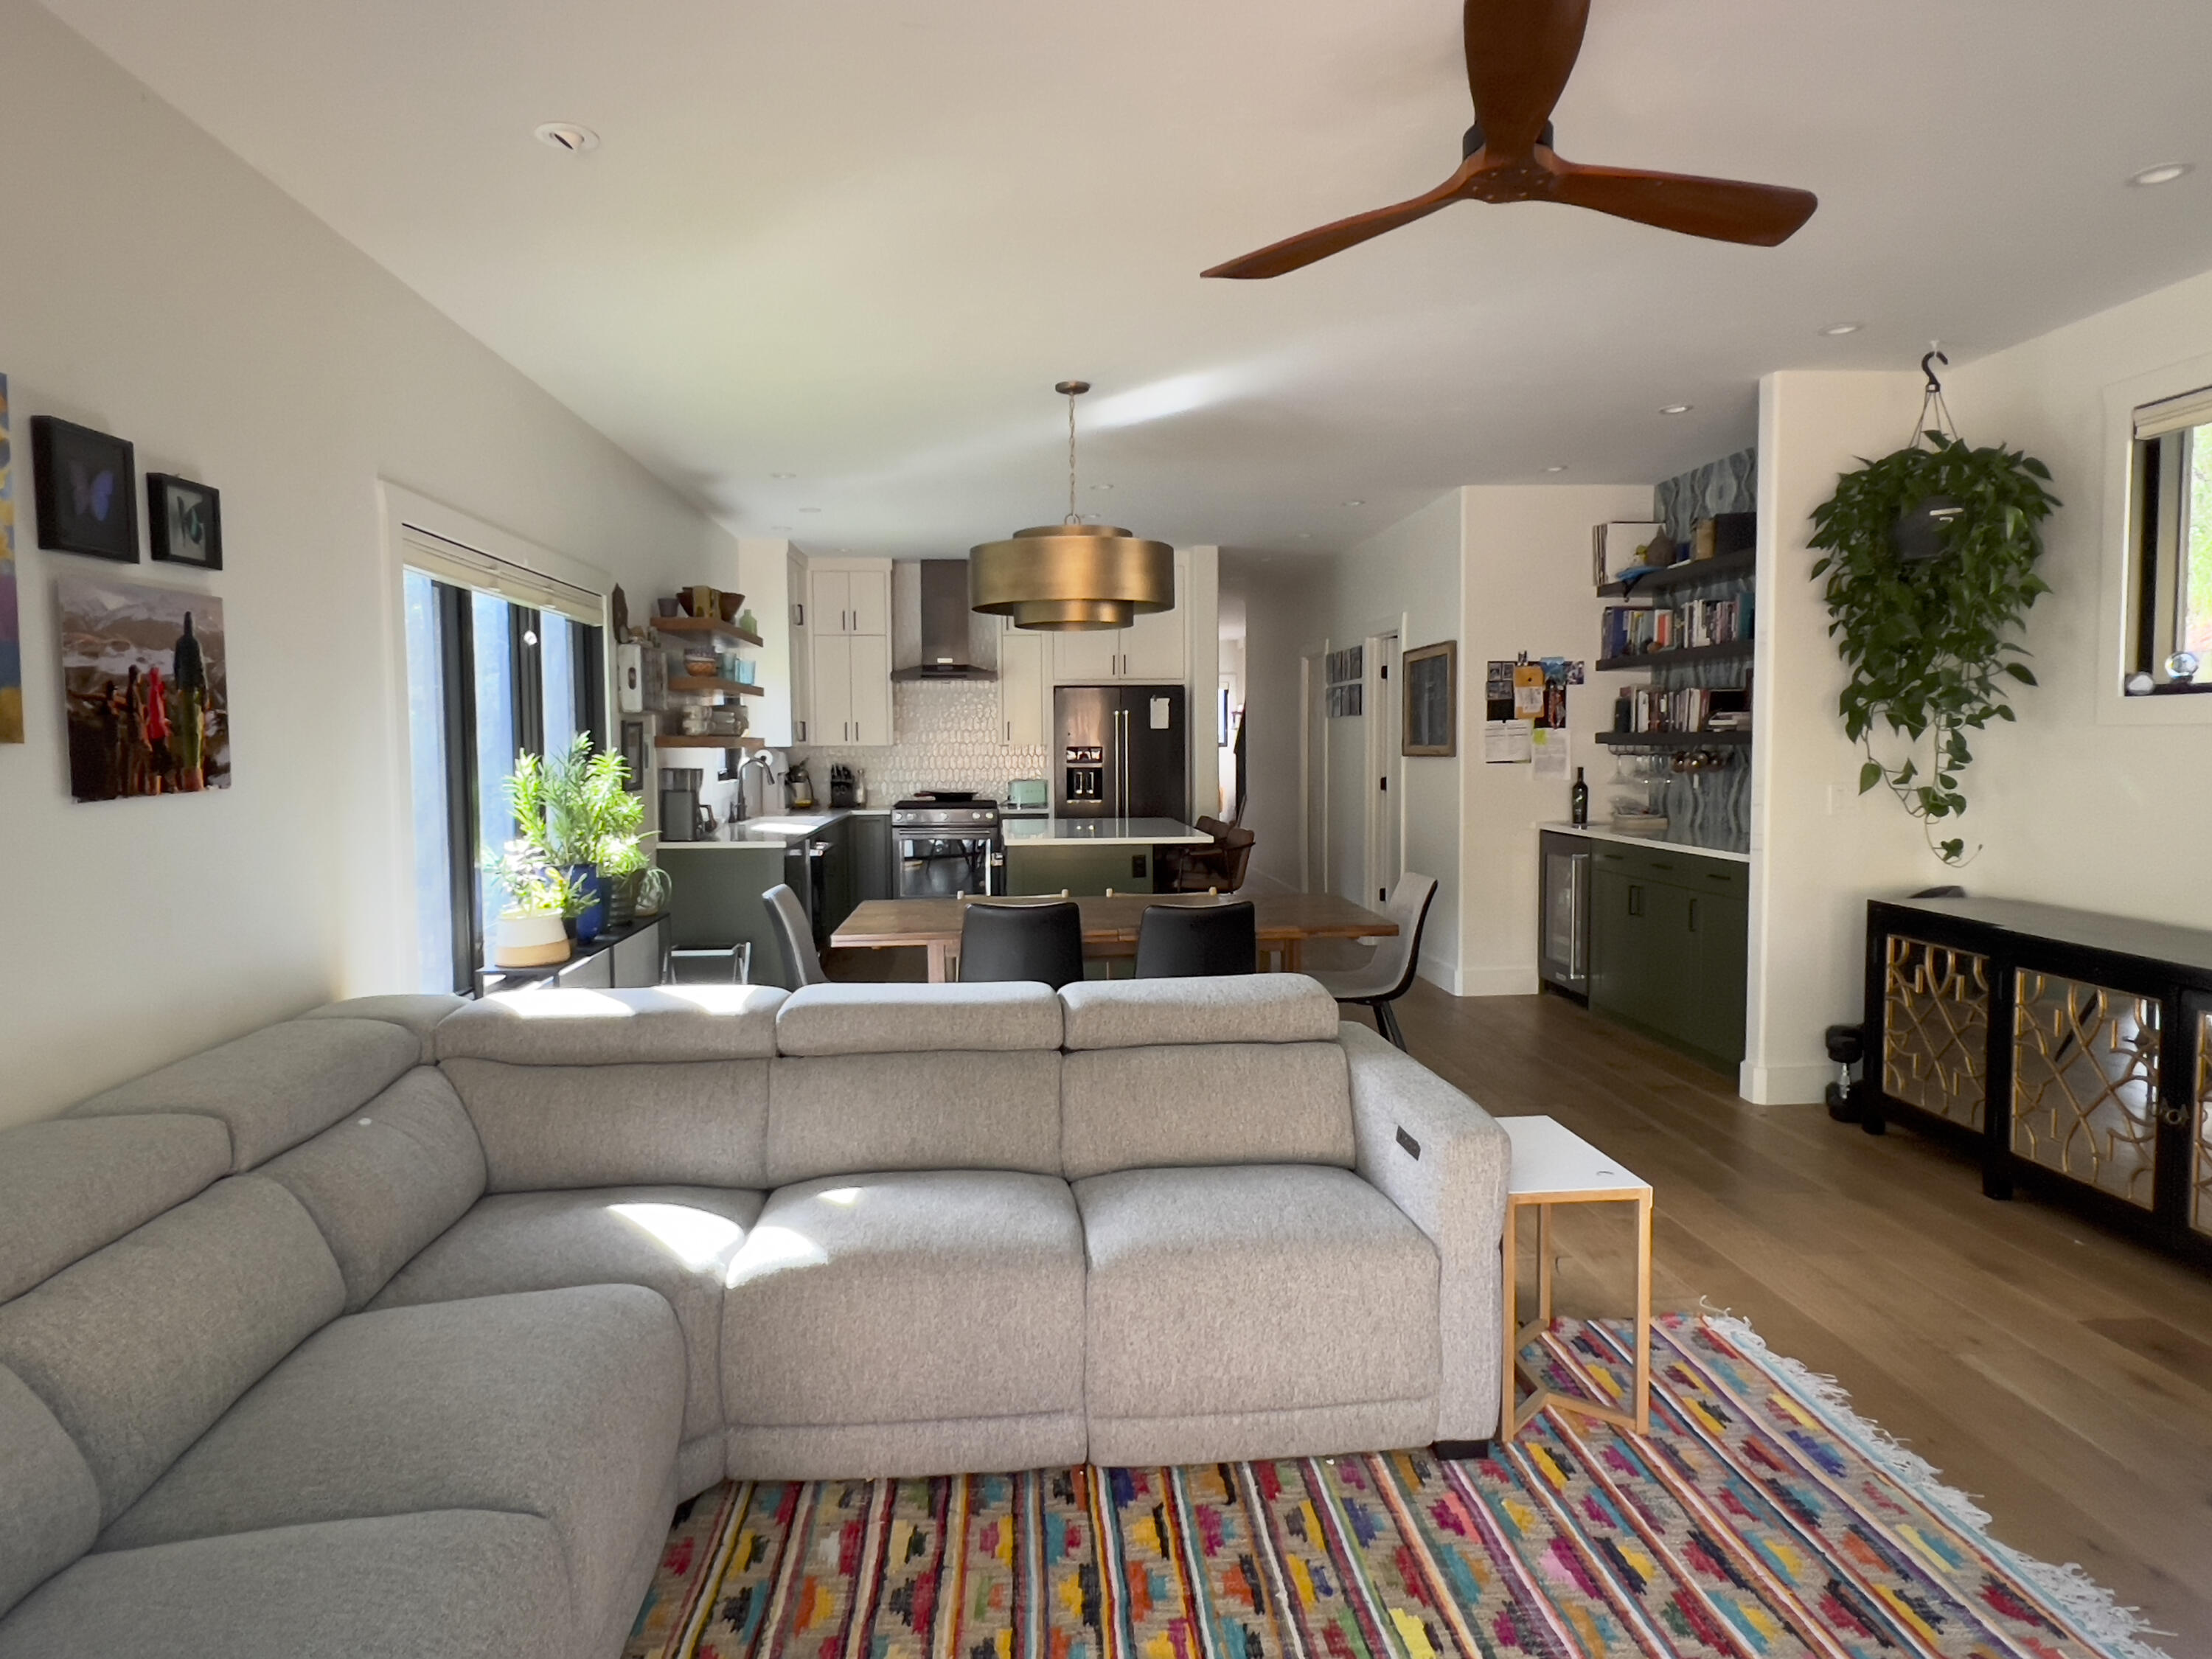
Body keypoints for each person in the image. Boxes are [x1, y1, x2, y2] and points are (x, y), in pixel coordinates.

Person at [173, 611, 207, 792]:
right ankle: (195, 773)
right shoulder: (194, 643)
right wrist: (206, 692)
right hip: (193, 690)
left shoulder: (180, 643)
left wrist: (177, 686)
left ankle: (189, 771)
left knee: (187, 730)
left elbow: (176, 667)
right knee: (194, 731)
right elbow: (201, 669)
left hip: (183, 690)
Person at [144, 663, 173, 795]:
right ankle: (169, 784)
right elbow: (157, 713)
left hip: (153, 730)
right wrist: (164, 725)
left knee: (157, 757)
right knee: (165, 758)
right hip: (159, 730)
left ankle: (154, 787)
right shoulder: (156, 691)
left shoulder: (152, 691)